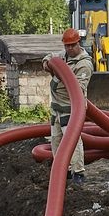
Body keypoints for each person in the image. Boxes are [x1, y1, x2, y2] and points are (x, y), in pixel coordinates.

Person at [42, 28, 94, 186]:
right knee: (56, 140)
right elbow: (50, 57)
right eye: (67, 46)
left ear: (79, 43)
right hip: (56, 108)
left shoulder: (84, 64)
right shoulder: (63, 56)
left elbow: (77, 88)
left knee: (72, 141)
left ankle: (78, 172)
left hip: (71, 109)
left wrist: (59, 73)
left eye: (72, 45)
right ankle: (62, 169)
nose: (69, 48)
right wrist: (47, 64)